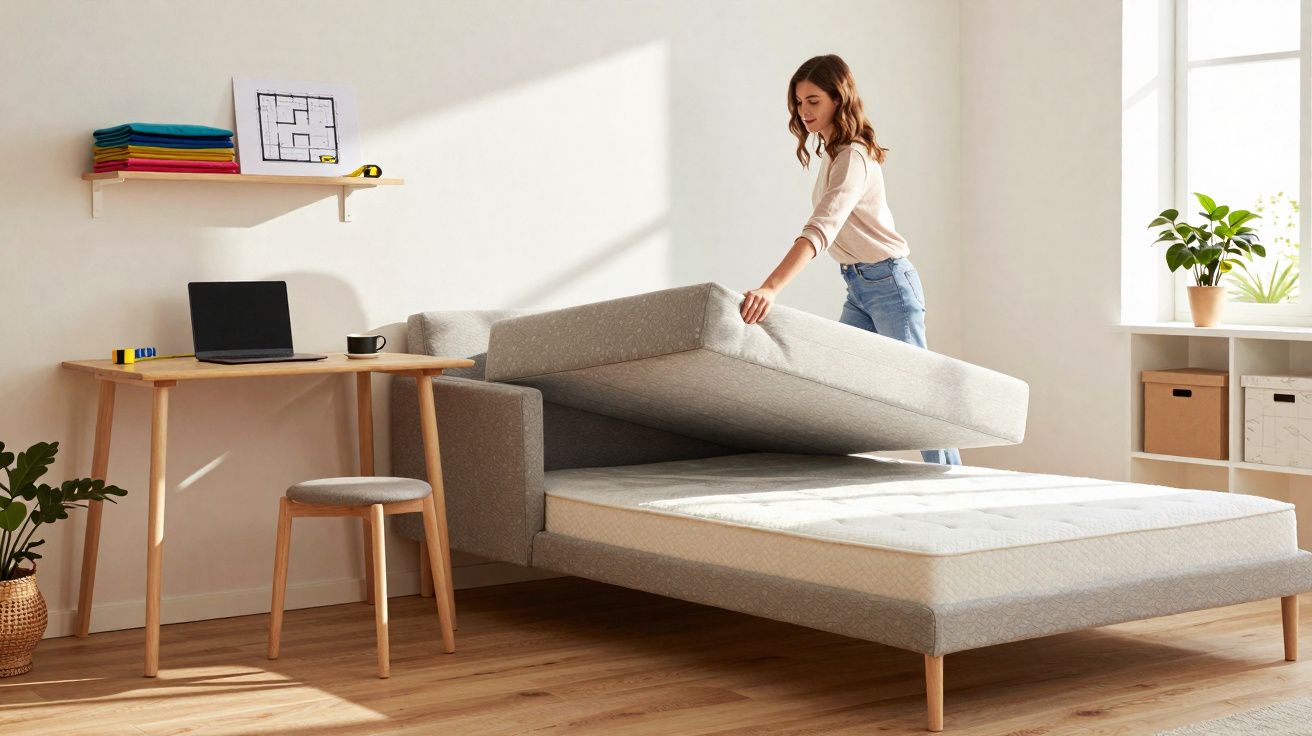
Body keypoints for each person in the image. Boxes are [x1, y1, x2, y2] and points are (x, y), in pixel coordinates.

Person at [738, 54, 961, 466]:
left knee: (919, 396)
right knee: (836, 383)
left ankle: (952, 487)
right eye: (799, 102)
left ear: (838, 99)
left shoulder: (853, 157)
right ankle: (830, 473)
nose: (803, 111)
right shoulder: (833, 154)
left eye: (813, 101)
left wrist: (771, 288)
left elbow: (821, 228)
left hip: (890, 285)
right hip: (861, 287)